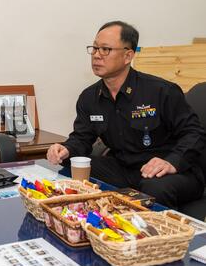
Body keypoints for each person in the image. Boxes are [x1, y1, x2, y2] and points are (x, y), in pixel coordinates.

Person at [47, 21, 205, 209]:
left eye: (105, 49)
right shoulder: (89, 98)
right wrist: (66, 149)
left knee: (153, 189)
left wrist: (172, 162)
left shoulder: (161, 91)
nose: (97, 55)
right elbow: (82, 138)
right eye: (94, 48)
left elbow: (194, 133)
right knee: (71, 171)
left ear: (128, 55)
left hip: (170, 171)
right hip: (123, 168)